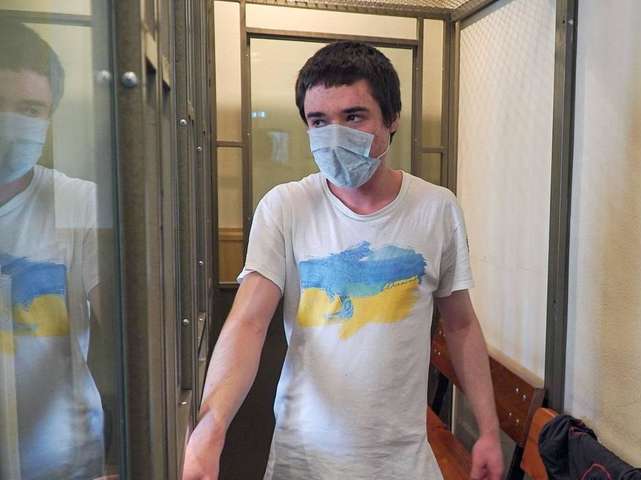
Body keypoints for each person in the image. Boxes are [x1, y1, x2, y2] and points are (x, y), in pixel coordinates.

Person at [183, 41, 503, 480]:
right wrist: (212, 425)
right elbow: (248, 322)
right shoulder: (286, 206)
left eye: (353, 117)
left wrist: (488, 430)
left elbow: (461, 324)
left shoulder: (436, 208)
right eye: (319, 121)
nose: (334, 135)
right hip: (303, 461)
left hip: (401, 462)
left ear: (392, 119)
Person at [0, 18, 111, 479]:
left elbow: (127, 328)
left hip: (64, 463)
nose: (10, 124)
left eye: (30, 109)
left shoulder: (79, 202)